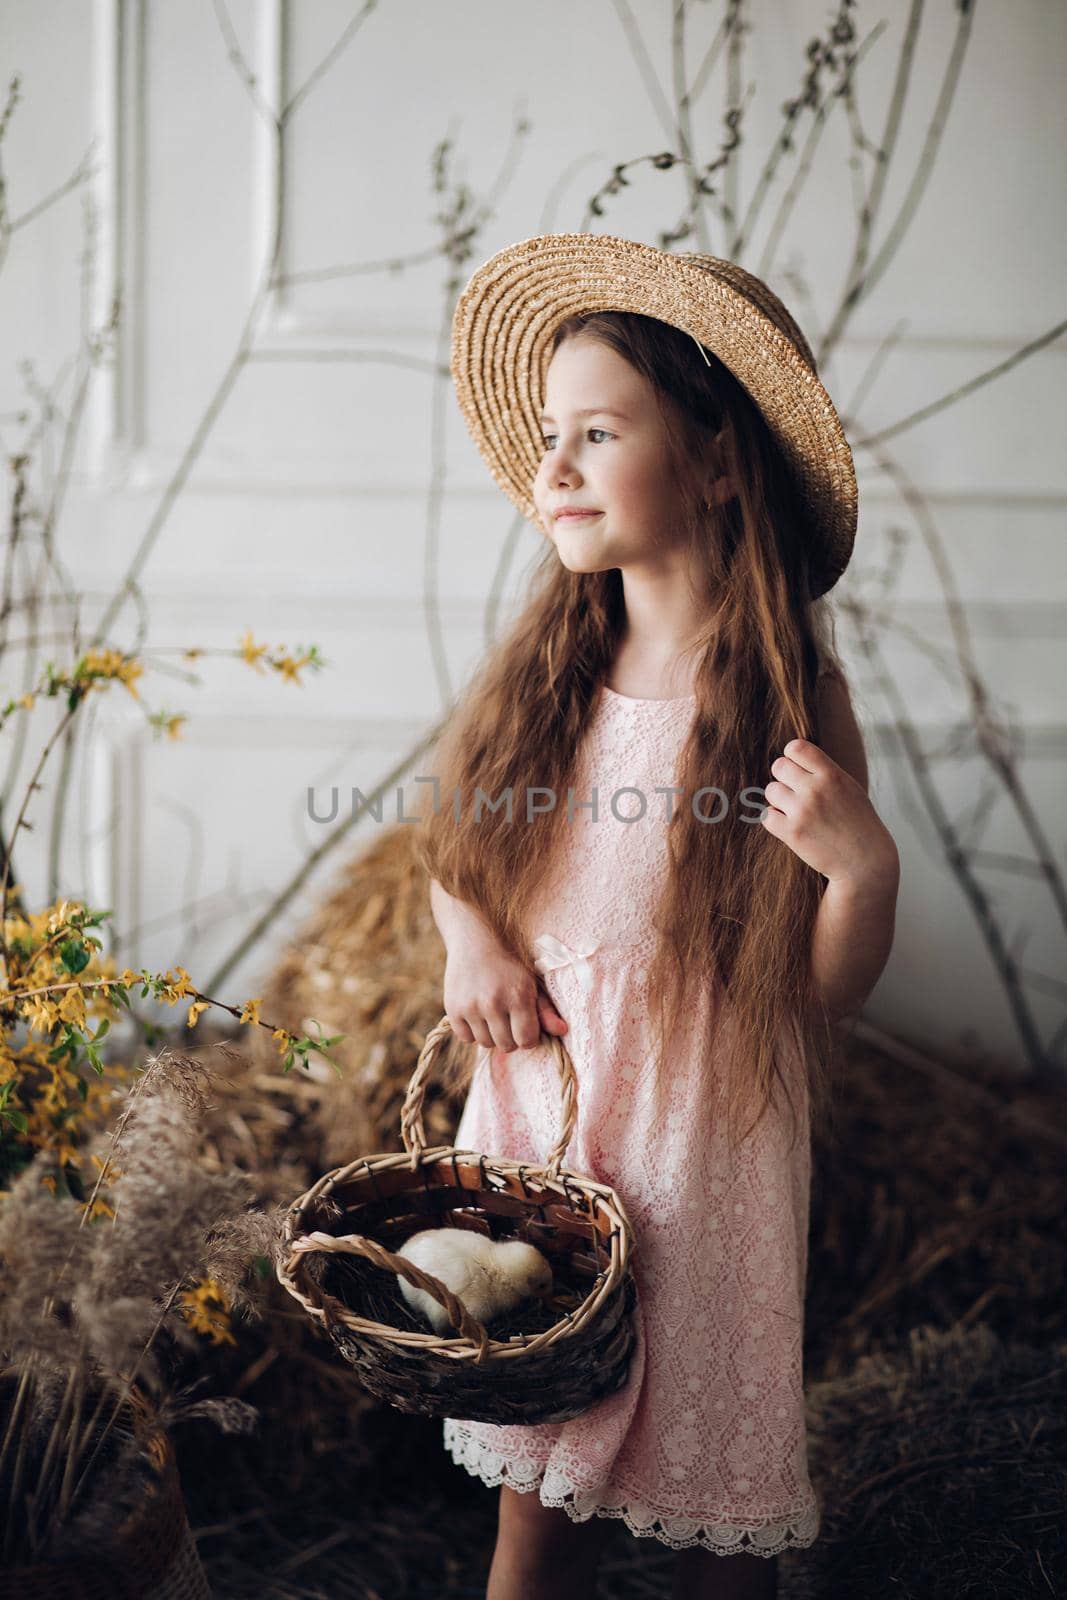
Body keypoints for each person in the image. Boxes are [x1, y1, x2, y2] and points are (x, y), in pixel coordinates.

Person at [415, 234, 900, 1600]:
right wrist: (476, 941)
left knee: (717, 1522)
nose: (552, 467)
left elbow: (820, 1002)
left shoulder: (795, 701)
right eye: (550, 436)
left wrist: (864, 875)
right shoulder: (550, 678)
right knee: (535, 1512)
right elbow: (455, 843)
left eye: (599, 433)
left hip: (707, 1149)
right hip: (552, 1135)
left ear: (718, 458)